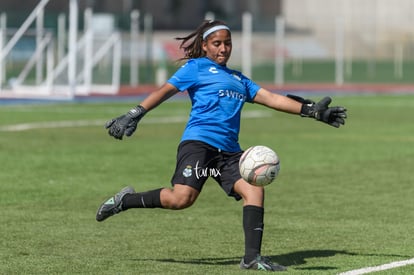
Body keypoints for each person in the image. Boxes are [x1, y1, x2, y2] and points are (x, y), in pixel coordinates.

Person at [96, 20, 347, 272]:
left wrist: (311, 111)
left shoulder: (239, 79)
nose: (223, 49)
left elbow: (271, 98)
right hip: (199, 145)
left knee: (255, 190)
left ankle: (251, 258)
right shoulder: (196, 68)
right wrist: (135, 113)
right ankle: (124, 200)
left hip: (229, 152)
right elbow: (165, 90)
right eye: (217, 44)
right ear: (204, 46)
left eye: (227, 43)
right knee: (181, 199)